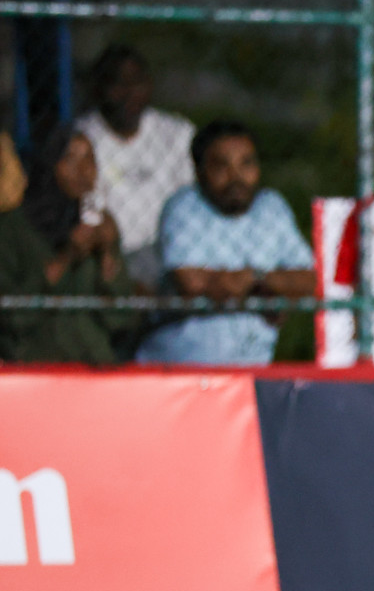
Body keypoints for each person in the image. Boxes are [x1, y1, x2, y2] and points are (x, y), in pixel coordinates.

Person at [135, 120, 315, 366]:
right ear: (199, 171)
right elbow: (192, 282)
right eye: (222, 166)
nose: (236, 177)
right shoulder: (184, 206)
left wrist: (255, 278)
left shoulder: (272, 207)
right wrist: (268, 287)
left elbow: (308, 279)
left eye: (246, 163)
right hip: (178, 367)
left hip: (253, 368)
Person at [0, 129, 136, 363]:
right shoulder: (12, 228)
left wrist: (106, 254)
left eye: (90, 160)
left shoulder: (99, 224)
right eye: (70, 159)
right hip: (33, 362)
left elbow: (120, 318)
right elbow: (13, 318)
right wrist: (66, 257)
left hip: (93, 362)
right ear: (49, 164)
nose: (84, 171)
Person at [76, 45, 197, 289]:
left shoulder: (177, 134)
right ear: (98, 89)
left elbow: (192, 202)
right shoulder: (82, 138)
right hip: (111, 254)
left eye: (137, 82)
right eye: (118, 84)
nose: (129, 93)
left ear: (150, 85)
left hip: (172, 251)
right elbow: (89, 209)